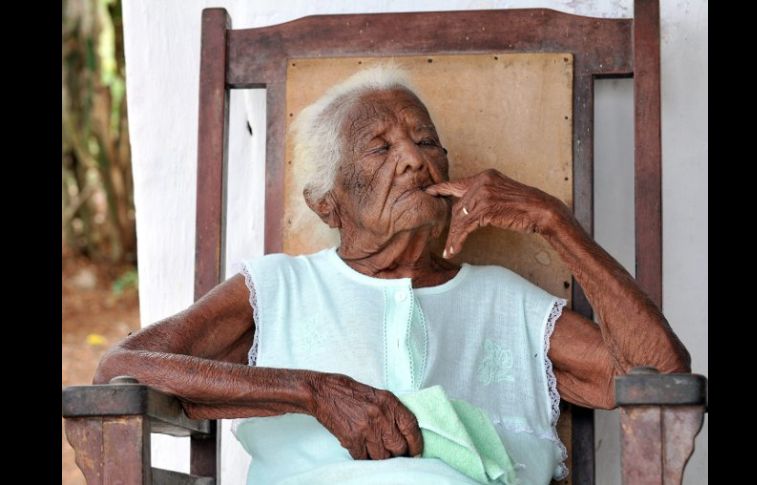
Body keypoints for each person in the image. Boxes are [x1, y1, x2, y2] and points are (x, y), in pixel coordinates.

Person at [94, 65, 690, 485]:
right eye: (379, 149)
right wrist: (312, 391)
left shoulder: (503, 300)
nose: (414, 159)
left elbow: (663, 373)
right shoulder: (280, 288)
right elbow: (124, 366)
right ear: (327, 203)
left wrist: (555, 223)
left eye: (426, 140)